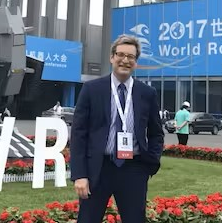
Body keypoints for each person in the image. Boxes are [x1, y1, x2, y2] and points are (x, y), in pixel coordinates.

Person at [70, 35, 165, 223]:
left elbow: (156, 133)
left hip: (134, 169)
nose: (125, 60)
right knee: (88, 219)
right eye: (121, 54)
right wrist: (80, 174)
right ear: (112, 57)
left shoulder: (147, 93)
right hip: (98, 168)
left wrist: (150, 163)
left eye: (131, 57)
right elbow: (79, 134)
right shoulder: (91, 89)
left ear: (136, 62)